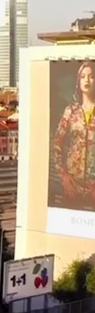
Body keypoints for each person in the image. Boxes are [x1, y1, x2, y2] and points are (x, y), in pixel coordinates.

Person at [52, 61, 95, 206]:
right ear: (78, 81)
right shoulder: (71, 111)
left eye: (91, 76)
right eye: (83, 76)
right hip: (72, 186)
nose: (87, 80)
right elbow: (57, 145)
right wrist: (63, 175)